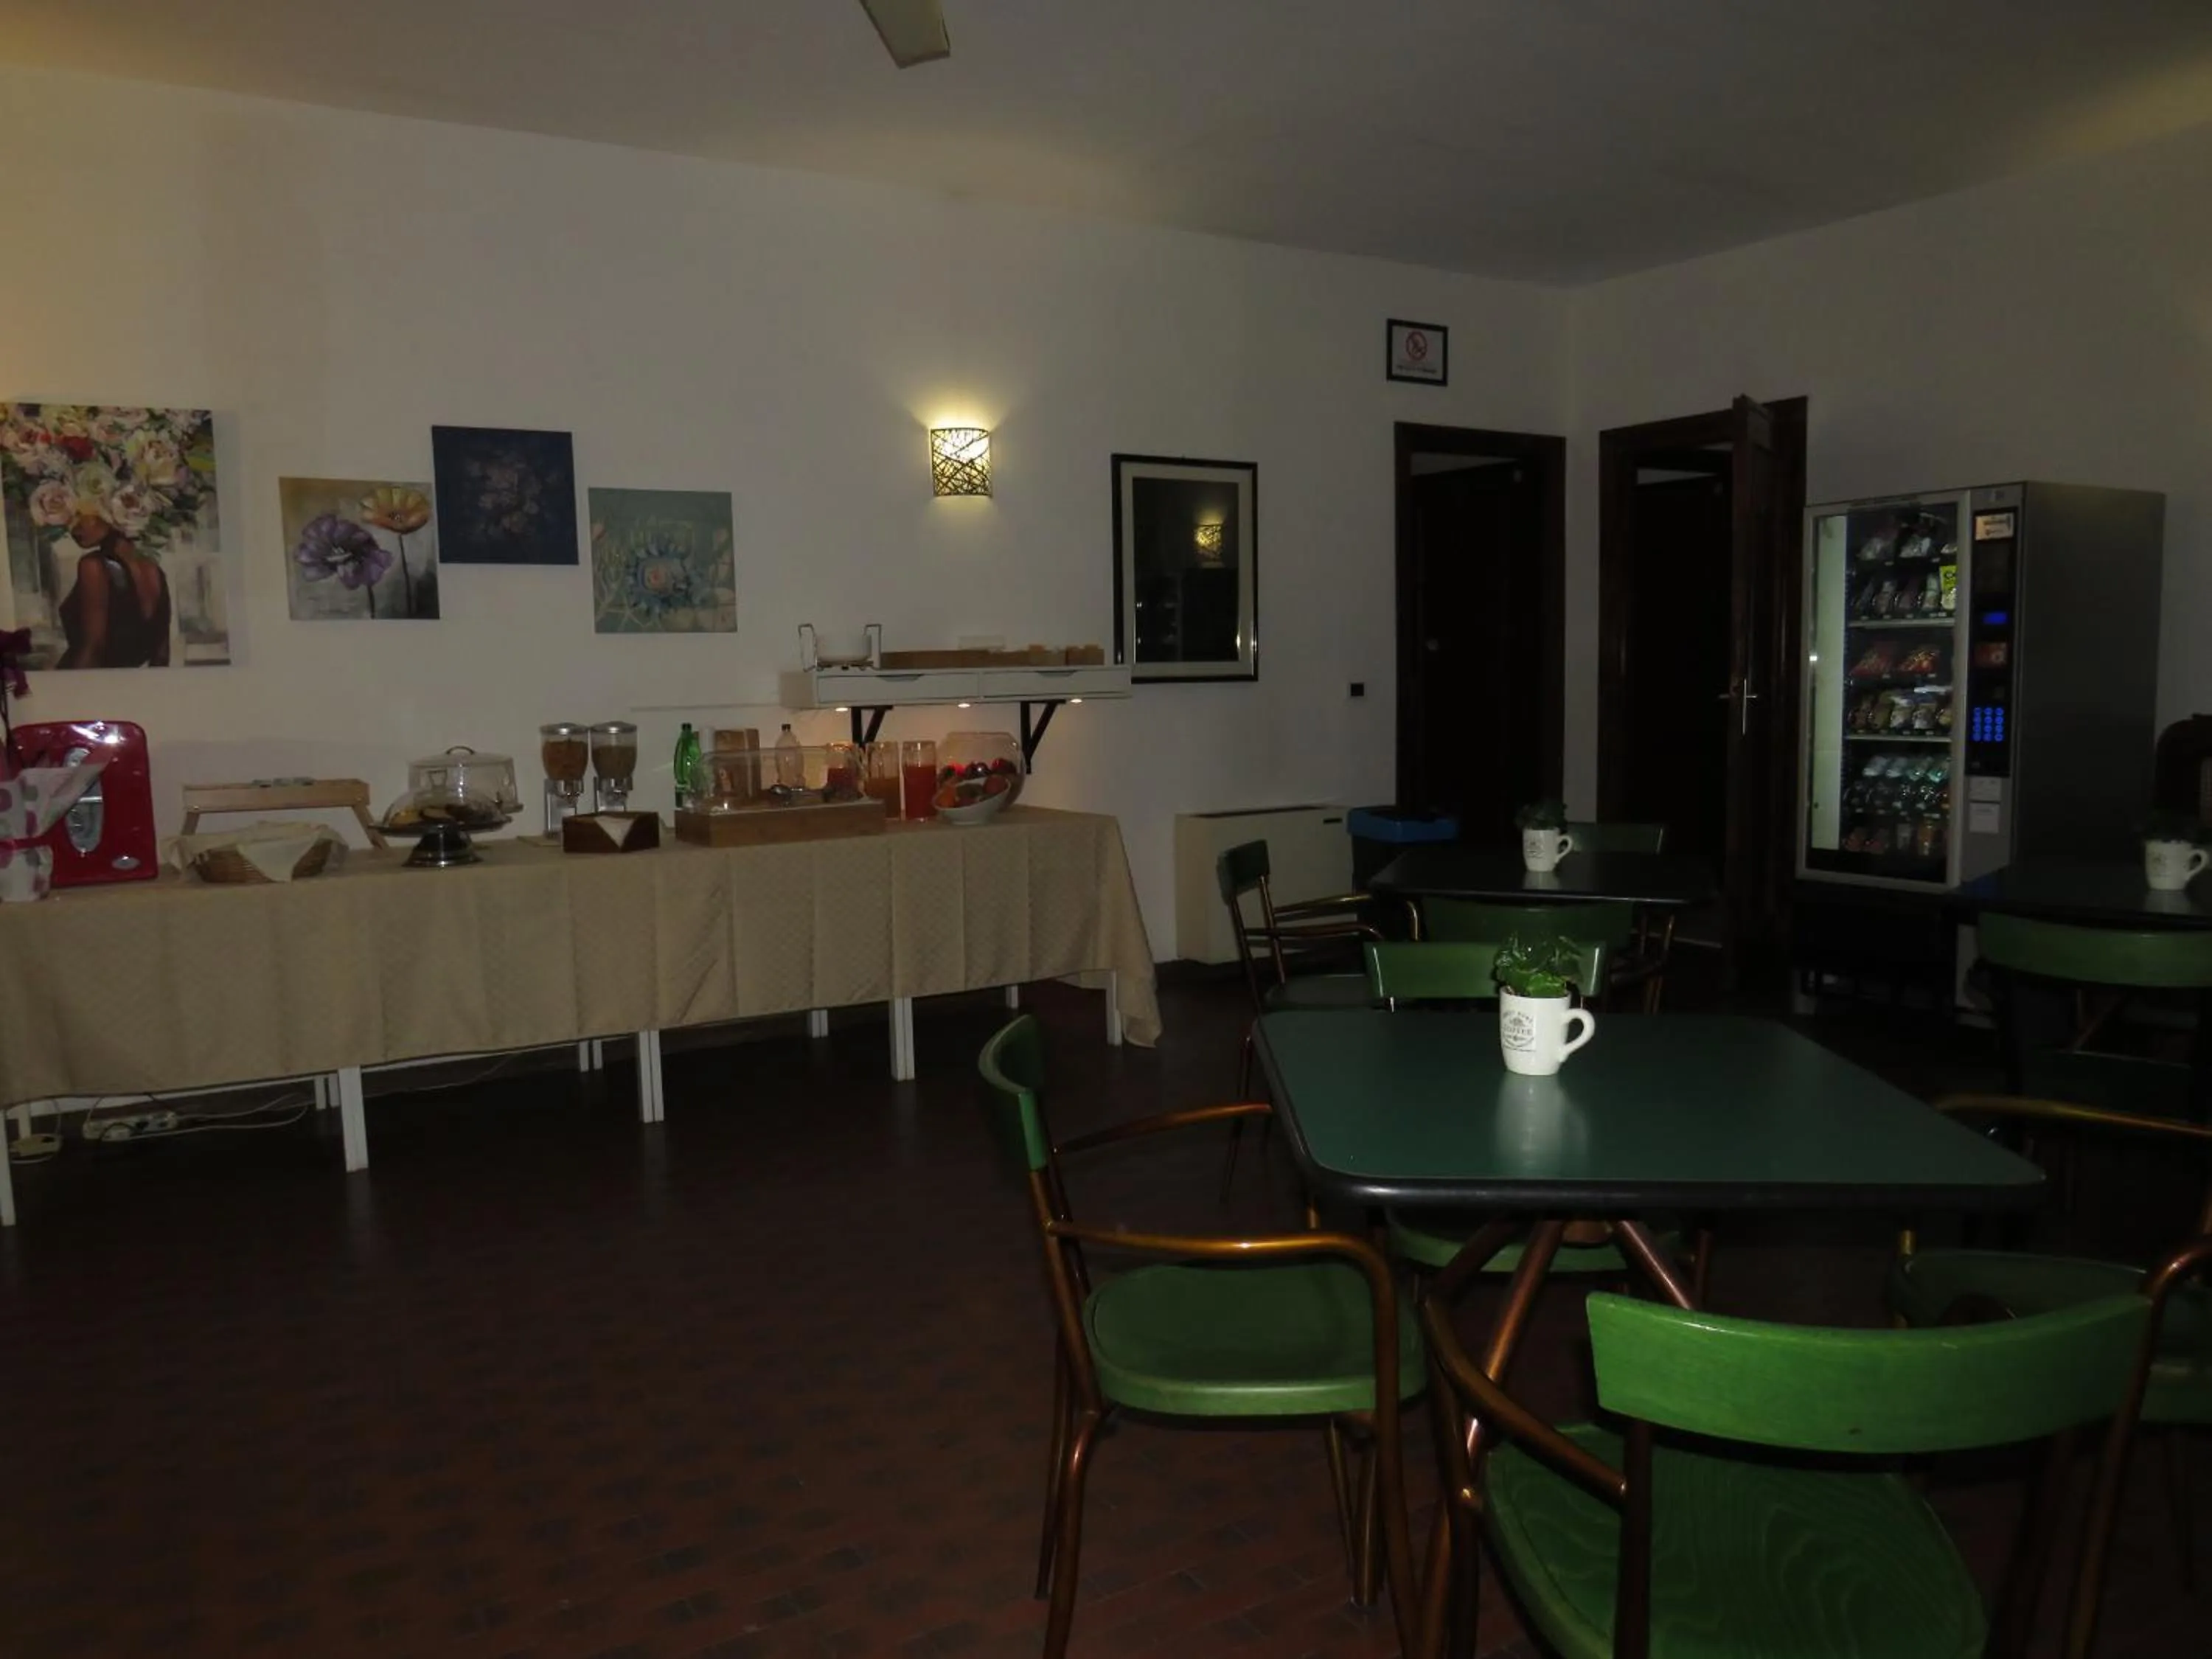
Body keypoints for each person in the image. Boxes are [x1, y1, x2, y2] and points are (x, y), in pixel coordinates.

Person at [57, 511, 169, 668]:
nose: (74, 529)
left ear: (111, 515)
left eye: (82, 516)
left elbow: (94, 648)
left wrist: (67, 690)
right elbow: (161, 656)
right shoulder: (154, 570)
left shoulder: (93, 566)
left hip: (86, 684)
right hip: (124, 686)